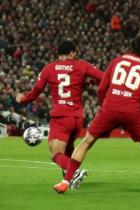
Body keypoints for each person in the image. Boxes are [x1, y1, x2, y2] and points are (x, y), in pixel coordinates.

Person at [53, 35, 140, 196]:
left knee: (86, 142)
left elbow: (101, 89)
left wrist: (104, 107)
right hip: (133, 111)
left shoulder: (118, 60)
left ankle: (64, 182)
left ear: (133, 45)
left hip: (110, 108)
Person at [16, 40, 104, 189]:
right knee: (69, 147)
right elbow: (104, 77)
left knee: (55, 153)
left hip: (61, 117)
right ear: (73, 53)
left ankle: (74, 173)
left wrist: (22, 99)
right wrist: (90, 83)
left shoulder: (49, 68)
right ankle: (68, 176)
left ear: (58, 54)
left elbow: (36, 91)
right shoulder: (82, 65)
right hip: (77, 118)